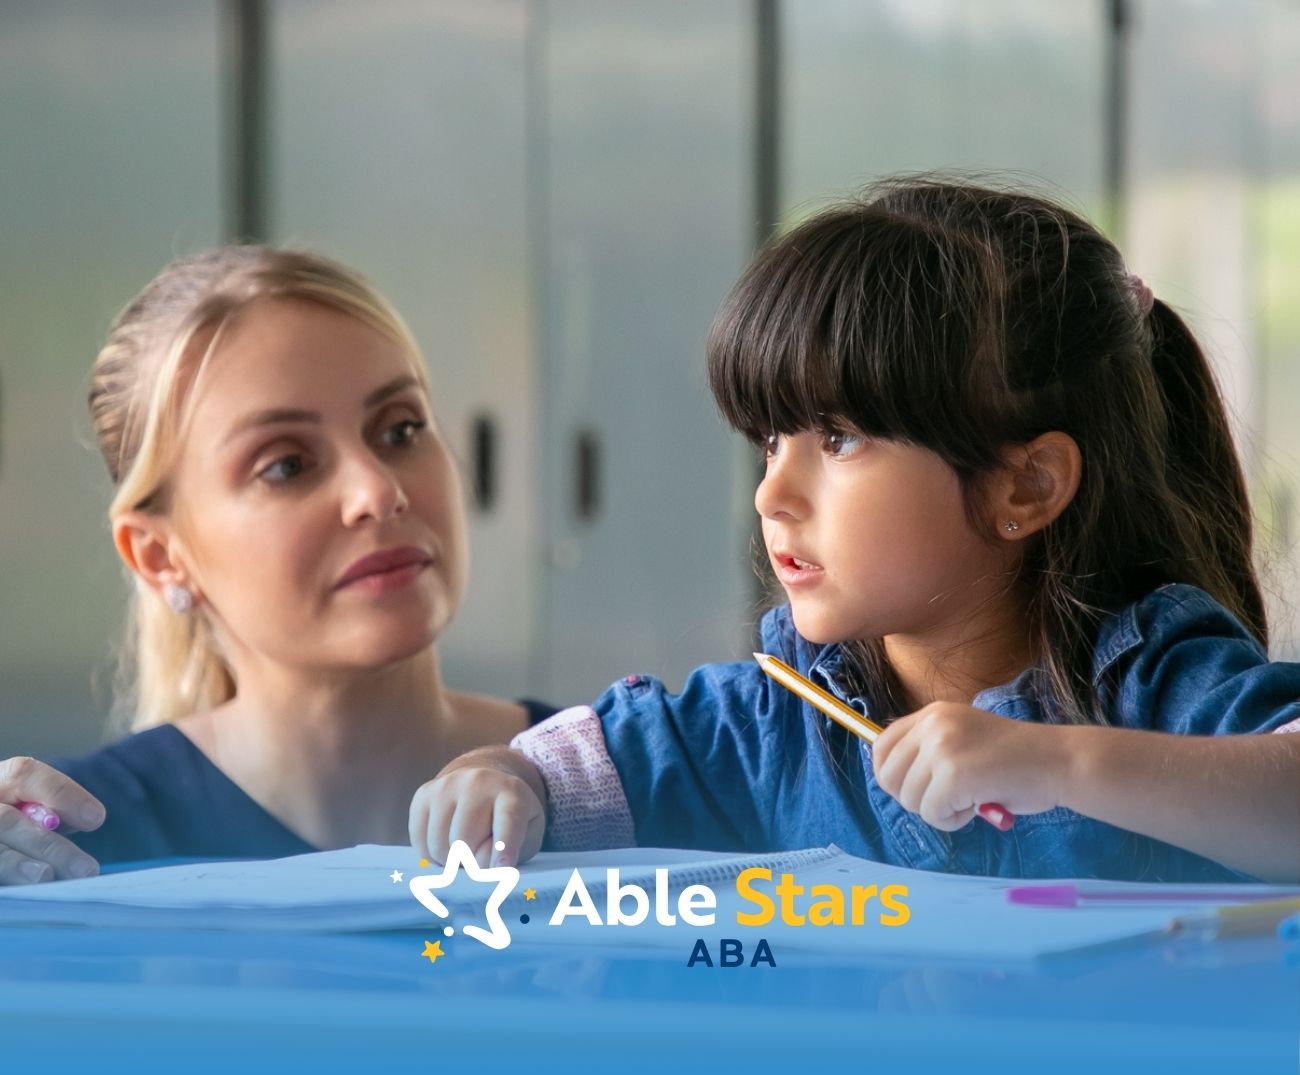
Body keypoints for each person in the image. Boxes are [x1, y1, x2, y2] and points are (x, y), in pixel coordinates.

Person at [412, 177, 1300, 884]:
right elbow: (562, 774)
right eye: (771, 440)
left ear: (1025, 485)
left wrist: (1054, 762)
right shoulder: (778, 715)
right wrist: (499, 780)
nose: (772, 494)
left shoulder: (1148, 675)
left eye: (838, 438)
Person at [0, 246, 556, 885]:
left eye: (400, 430)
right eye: (286, 465)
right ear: (159, 557)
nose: (378, 492)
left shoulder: (607, 779)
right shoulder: (64, 843)